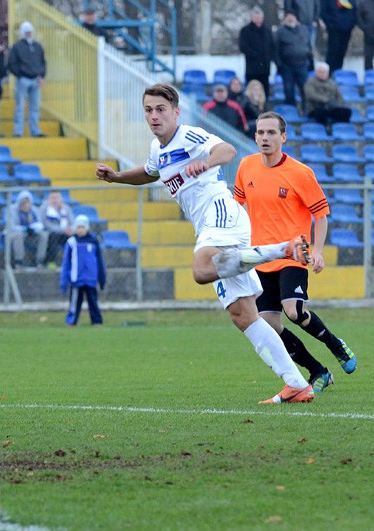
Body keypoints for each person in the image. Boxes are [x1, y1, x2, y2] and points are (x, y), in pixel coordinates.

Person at [96, 83, 315, 404]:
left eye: (160, 110)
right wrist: (116, 177)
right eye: (148, 110)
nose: (154, 116)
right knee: (242, 315)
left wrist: (208, 162)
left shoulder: (189, 135)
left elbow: (226, 150)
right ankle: (296, 384)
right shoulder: (158, 149)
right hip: (208, 226)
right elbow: (149, 172)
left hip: (220, 212)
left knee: (201, 270)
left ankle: (283, 249)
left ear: (175, 112)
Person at [234, 111, 357, 392]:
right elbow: (238, 206)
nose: (265, 138)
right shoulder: (246, 166)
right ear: (255, 136)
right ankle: (318, 372)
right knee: (268, 324)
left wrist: (318, 251)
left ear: (283, 137)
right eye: (260, 133)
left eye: (271, 133)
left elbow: (321, 215)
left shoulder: (300, 173)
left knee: (295, 311)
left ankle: (336, 345)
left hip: (294, 254)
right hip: (262, 257)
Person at [60, 214, 106, 326]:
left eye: (82, 227)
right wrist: (64, 281)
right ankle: (71, 321)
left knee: (93, 301)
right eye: (78, 227)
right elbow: (66, 263)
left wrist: (102, 278)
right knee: (75, 302)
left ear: (87, 228)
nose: (80, 230)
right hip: (77, 278)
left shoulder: (94, 242)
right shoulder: (71, 242)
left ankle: (97, 321)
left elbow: (99, 261)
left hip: (90, 278)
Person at [7, 21, 46, 138]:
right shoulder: (17, 46)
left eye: (30, 32)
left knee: (35, 107)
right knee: (20, 106)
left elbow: (43, 62)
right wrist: (20, 75)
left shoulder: (38, 46)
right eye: (26, 32)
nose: (28, 34)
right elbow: (12, 63)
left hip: (36, 80)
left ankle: (35, 130)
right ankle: (18, 131)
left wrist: (41, 76)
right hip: (23, 79)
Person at [274, 10, 312, 111]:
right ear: (285, 19)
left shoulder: (304, 29)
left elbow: (309, 46)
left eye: (292, 17)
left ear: (296, 19)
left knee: (305, 89)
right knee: (289, 90)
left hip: (302, 64)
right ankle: (291, 111)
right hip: (287, 66)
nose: (290, 19)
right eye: (288, 17)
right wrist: (279, 64)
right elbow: (276, 49)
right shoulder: (280, 31)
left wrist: (311, 61)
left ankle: (306, 110)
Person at [5, 189, 49, 269]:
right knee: (18, 236)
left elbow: (40, 223)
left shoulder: (34, 210)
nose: (26, 205)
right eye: (24, 203)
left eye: (28, 203)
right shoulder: (12, 210)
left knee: (44, 235)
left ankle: (40, 261)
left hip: (31, 234)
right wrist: (24, 229)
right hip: (14, 234)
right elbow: (11, 226)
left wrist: (34, 229)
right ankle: (19, 261)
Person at [238, 5, 275, 96]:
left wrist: (270, 57)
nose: (258, 19)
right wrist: (255, 55)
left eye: (259, 17)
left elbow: (272, 46)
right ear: (252, 18)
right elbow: (243, 46)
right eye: (255, 17)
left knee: (264, 92)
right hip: (252, 68)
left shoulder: (267, 31)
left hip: (265, 68)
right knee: (251, 91)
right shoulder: (245, 31)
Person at [320, 0, 357, 74]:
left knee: (342, 52)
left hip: (347, 28)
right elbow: (323, 12)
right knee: (333, 52)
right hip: (334, 29)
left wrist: (351, 24)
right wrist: (330, 24)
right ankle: (329, 73)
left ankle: (338, 72)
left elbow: (354, 10)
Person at [39, 190, 74, 267]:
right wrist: (62, 230)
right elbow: (46, 224)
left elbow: (71, 222)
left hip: (65, 233)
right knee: (53, 236)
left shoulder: (66, 208)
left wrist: (70, 229)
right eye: (52, 198)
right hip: (50, 234)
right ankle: (51, 262)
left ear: (61, 198)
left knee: (73, 239)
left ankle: (72, 262)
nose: (55, 200)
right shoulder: (44, 208)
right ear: (49, 199)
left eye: (57, 198)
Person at [358, 0, 374, 70]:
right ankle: (369, 77)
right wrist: (364, 27)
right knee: (368, 57)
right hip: (369, 35)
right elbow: (358, 16)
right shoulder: (363, 3)